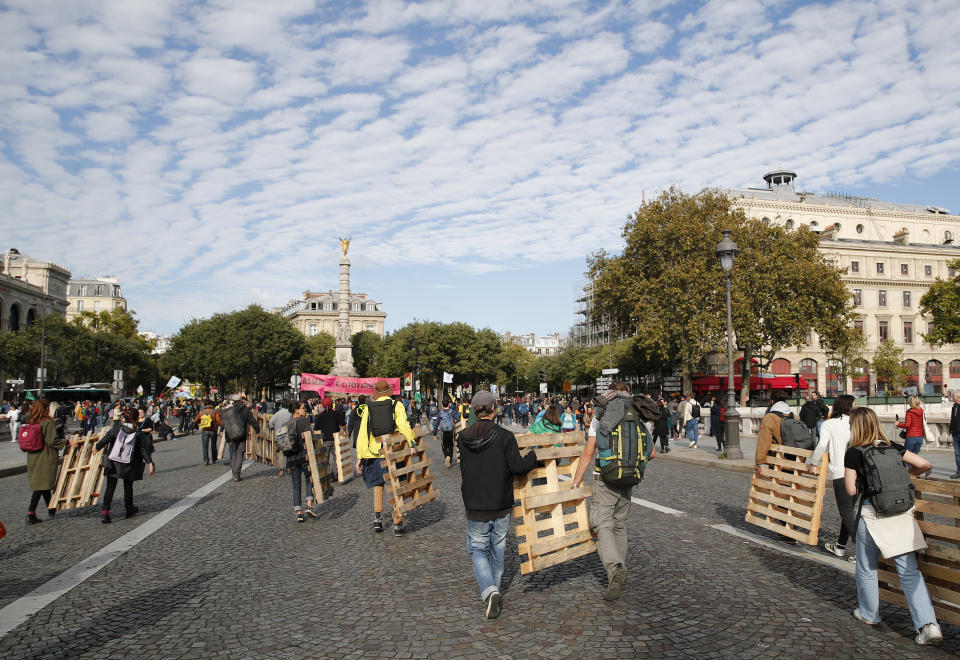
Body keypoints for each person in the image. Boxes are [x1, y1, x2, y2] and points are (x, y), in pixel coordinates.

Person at [843, 407, 942, 645]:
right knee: (909, 571)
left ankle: (870, 613)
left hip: (873, 515)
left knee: (866, 567)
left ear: (855, 427)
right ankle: (928, 625)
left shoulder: (854, 453)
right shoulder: (893, 447)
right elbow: (924, 464)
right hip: (901, 515)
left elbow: (850, 489)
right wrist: (902, 479)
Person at [458, 390, 538, 619]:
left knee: (478, 551)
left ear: (474, 410)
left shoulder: (462, 438)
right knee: (497, 552)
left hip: (474, 504)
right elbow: (518, 467)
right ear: (493, 408)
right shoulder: (504, 436)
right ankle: (495, 590)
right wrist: (533, 456)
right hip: (501, 503)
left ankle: (490, 591)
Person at [572, 382, 656, 600]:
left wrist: (576, 483)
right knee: (619, 524)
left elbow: (588, 454)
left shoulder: (602, 415)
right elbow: (652, 452)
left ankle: (615, 568)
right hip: (629, 478)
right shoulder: (637, 414)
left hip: (605, 477)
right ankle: (620, 569)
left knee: (600, 523)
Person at [353, 380, 417, 535]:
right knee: (396, 485)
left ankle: (378, 519)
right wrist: (412, 442)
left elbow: (362, 433)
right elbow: (404, 426)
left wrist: (360, 457)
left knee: (378, 484)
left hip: (373, 452)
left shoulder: (368, 408)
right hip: (392, 450)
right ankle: (397, 522)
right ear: (388, 391)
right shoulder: (397, 405)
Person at [805, 394, 856, 560]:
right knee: (849, 511)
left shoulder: (829, 424)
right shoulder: (855, 422)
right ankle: (840, 546)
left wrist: (813, 462)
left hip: (841, 472)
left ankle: (865, 551)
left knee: (846, 512)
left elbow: (821, 445)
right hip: (859, 473)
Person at [93, 407, 155, 524]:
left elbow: (105, 439)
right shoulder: (138, 433)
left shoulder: (116, 429)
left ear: (123, 418)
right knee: (128, 487)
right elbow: (143, 450)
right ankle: (129, 509)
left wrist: (96, 448)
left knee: (110, 487)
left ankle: (105, 511)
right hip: (128, 464)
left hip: (113, 461)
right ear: (137, 419)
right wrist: (150, 463)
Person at [24, 399, 65, 524]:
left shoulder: (31, 421)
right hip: (45, 457)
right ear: (46, 409)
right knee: (41, 485)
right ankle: (31, 513)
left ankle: (51, 508)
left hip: (33, 456)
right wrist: (66, 442)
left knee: (43, 483)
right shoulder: (48, 422)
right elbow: (52, 441)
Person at [284, 401, 319, 523]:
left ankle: (299, 512)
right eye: (303, 408)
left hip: (291, 458)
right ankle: (309, 505)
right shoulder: (304, 421)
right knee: (309, 479)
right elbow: (310, 437)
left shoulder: (286, 424)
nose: (305, 410)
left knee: (296, 484)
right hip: (304, 456)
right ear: (296, 410)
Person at [219, 395, 260, 482]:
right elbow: (252, 420)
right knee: (240, 454)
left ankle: (234, 472)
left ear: (233, 400)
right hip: (241, 434)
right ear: (241, 400)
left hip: (230, 435)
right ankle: (237, 474)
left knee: (234, 453)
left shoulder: (229, 409)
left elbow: (225, 422)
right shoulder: (245, 409)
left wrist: (223, 432)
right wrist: (258, 430)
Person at [433, 397, 459, 468]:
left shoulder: (440, 413)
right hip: (451, 432)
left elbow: (436, 424)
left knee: (444, 446)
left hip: (443, 432)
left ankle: (446, 456)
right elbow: (458, 419)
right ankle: (449, 459)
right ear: (449, 404)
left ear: (442, 405)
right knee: (451, 446)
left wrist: (434, 433)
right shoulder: (452, 412)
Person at [193, 401, 219, 465]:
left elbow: (195, 421)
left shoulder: (201, 412)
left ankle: (206, 460)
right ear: (211, 404)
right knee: (213, 445)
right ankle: (214, 459)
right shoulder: (215, 412)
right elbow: (219, 421)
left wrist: (196, 427)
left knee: (205, 446)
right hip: (213, 430)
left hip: (204, 430)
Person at [950, 392, 960, 480]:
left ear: (958, 397)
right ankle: (958, 471)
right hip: (955, 433)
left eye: (953, 396)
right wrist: (951, 430)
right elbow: (952, 419)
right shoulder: (954, 407)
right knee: (957, 454)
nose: (952, 397)